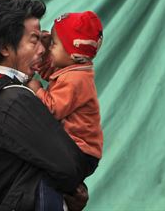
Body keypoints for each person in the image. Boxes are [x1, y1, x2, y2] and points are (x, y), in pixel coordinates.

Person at [0, 0, 90, 211]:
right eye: (34, 40)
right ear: (5, 47)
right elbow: (71, 165)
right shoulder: (14, 100)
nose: (43, 49)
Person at [27, 11, 104, 205]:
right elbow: (48, 70)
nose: (48, 48)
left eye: (53, 43)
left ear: (73, 53)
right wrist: (46, 46)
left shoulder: (76, 79)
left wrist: (36, 89)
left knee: (44, 176)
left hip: (79, 151)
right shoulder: (72, 69)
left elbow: (51, 109)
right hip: (74, 149)